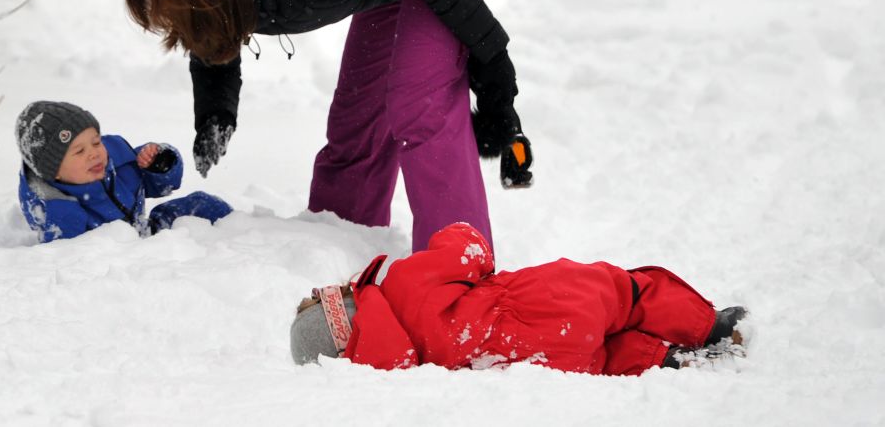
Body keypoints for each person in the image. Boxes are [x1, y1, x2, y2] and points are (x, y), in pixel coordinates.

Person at [124, 0, 533, 252]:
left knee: (418, 102)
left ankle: (458, 265)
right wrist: (216, 116)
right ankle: (342, 244)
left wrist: (494, 67)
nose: (160, 0)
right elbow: (213, 37)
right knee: (357, 114)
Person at [289, 222, 750, 375]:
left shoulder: (394, 366)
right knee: (630, 293)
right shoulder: (402, 286)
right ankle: (707, 327)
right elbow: (470, 251)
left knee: (606, 355)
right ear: (342, 304)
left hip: (545, 357)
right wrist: (451, 233)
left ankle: (666, 362)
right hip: (551, 301)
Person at [15, 101, 233, 243]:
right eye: (79, 151)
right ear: (54, 171)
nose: (94, 154)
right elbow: (68, 256)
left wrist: (159, 164)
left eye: (96, 142)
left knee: (202, 203)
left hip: (148, 233)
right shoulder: (51, 206)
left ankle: (242, 236)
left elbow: (164, 185)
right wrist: (61, 211)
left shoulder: (116, 159)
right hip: (115, 262)